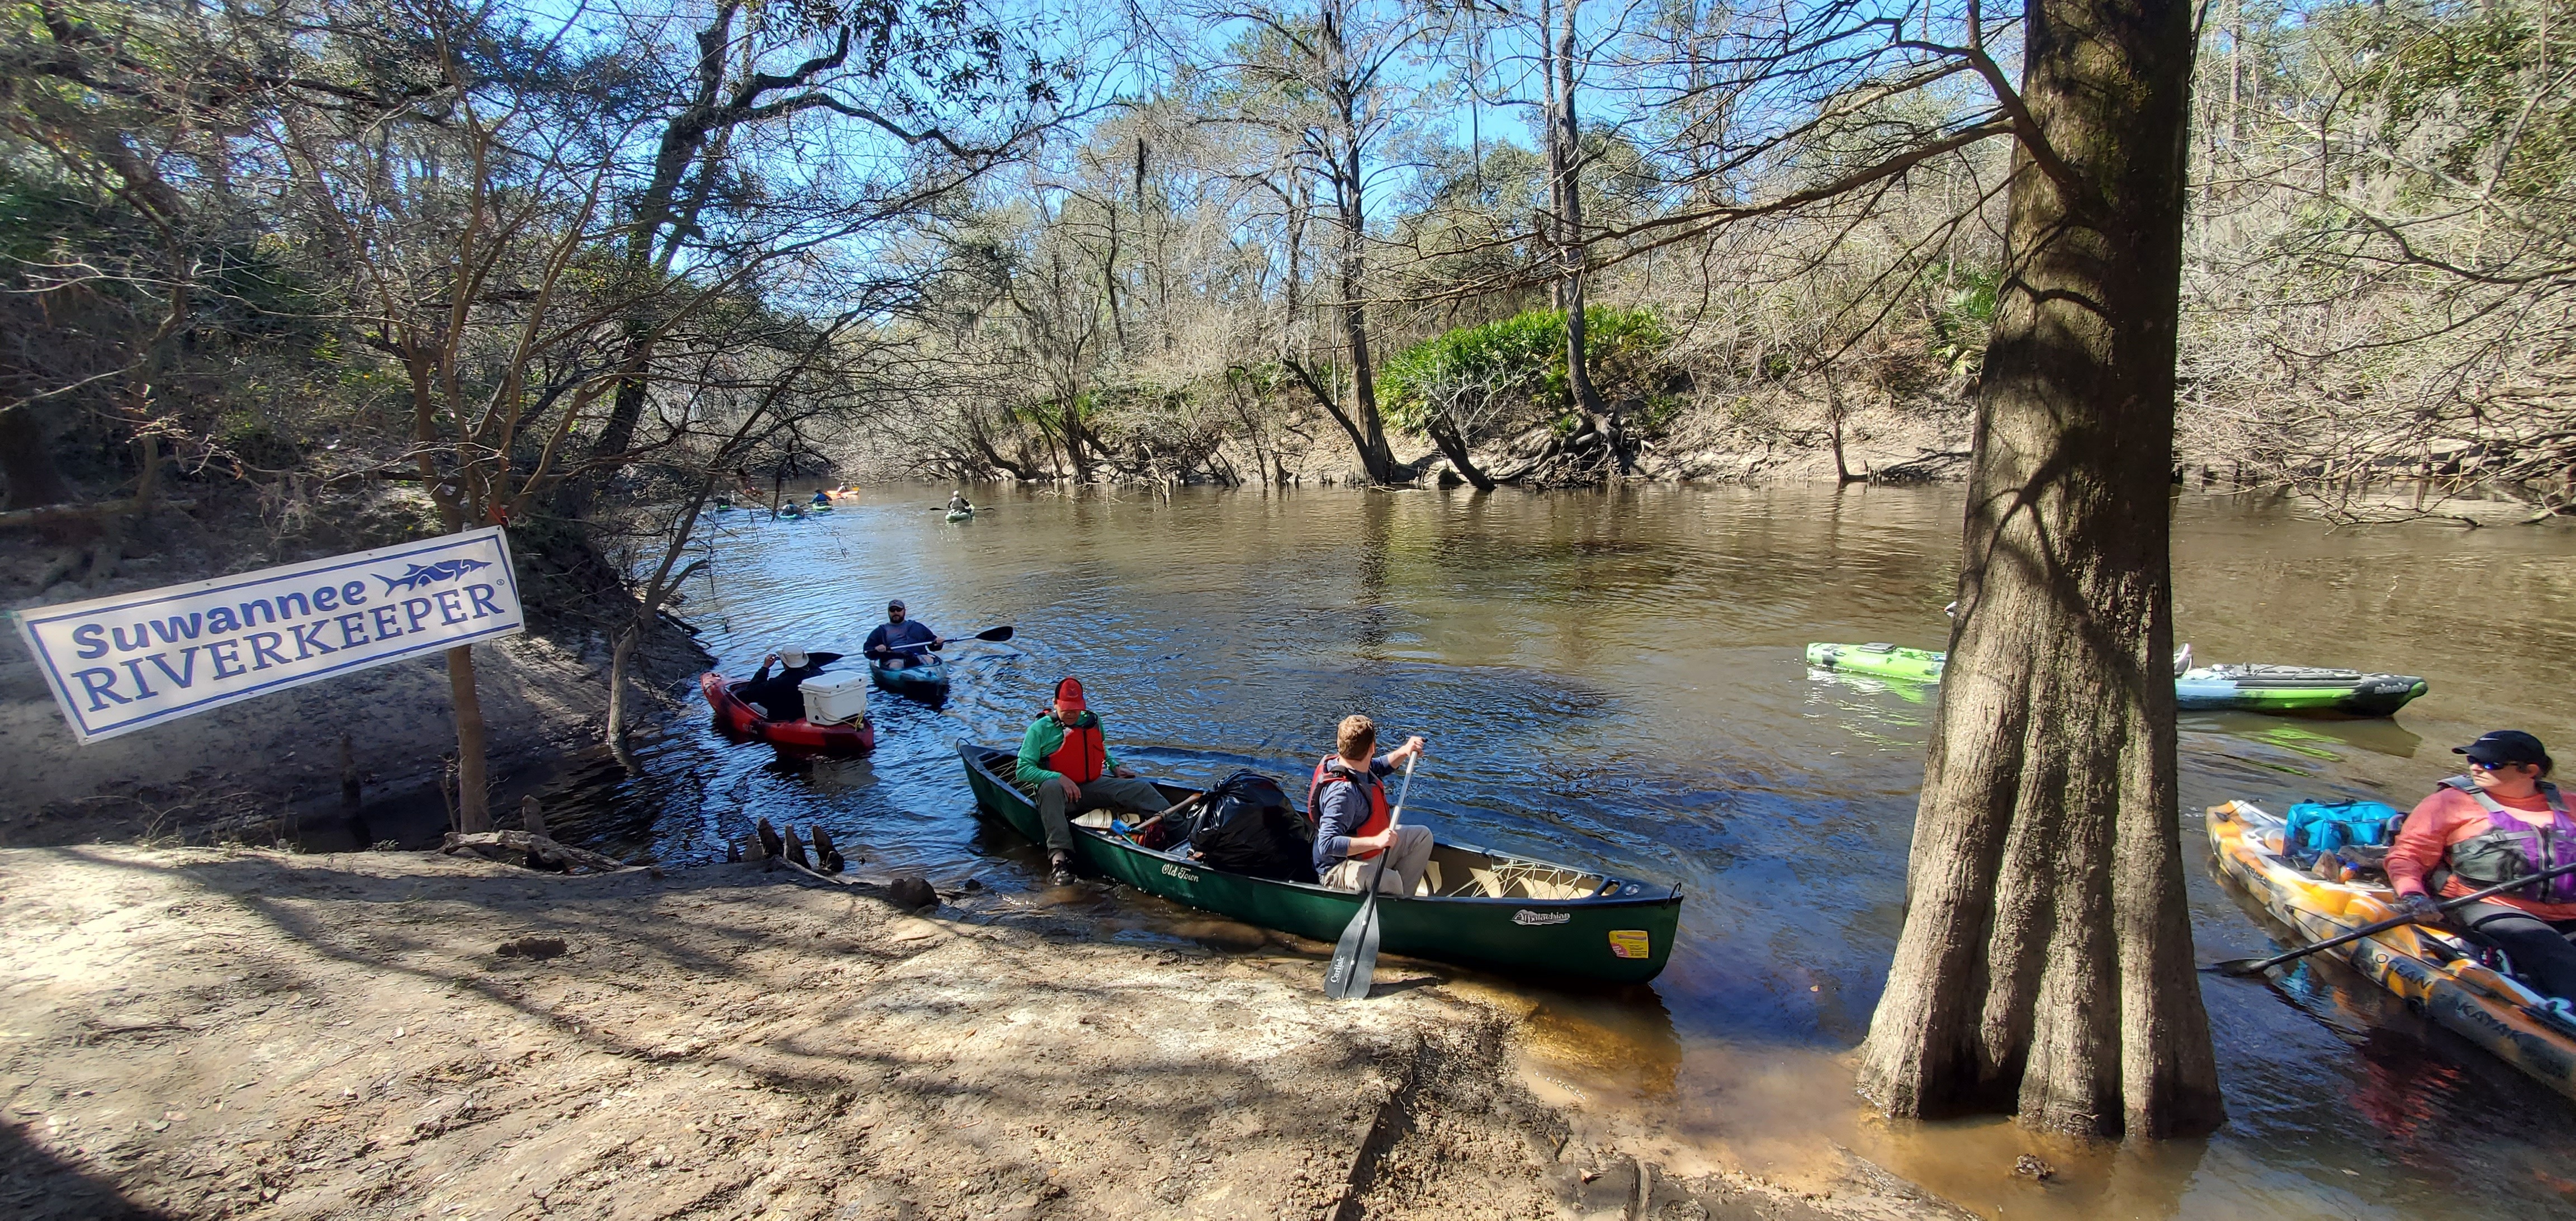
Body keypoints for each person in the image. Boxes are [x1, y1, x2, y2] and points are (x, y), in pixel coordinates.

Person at [2386, 730, 2576, 1002]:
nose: (2476, 767)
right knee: (2547, 949)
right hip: (2490, 905)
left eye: (2490, 764)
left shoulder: (2569, 805)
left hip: (2568, 911)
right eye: (2472, 760)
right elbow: (2408, 855)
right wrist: (2413, 895)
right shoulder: (2449, 803)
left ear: (2530, 770)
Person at [1016, 677, 1169, 884]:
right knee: (1050, 788)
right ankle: (1060, 861)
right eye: (1066, 708)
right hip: (1059, 797)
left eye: (1076, 708)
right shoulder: (1039, 730)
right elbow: (1023, 770)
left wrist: (1114, 766)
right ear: (1055, 703)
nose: (1071, 713)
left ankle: (1184, 830)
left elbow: (1100, 747)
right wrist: (1058, 778)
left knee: (1141, 788)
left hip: (1091, 787)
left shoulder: (1093, 722)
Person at [1309, 714, 1433, 896]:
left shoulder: (1352, 763)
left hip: (1363, 853)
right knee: (1390, 881)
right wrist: (1376, 841)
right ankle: (1394, 907)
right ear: (1372, 747)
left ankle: (1402, 903)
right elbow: (1327, 844)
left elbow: (1379, 767)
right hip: (1335, 868)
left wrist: (1405, 751)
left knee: (1422, 837)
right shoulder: (1343, 795)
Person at [736, 646, 840, 720]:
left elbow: (751, 691)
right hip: (809, 713)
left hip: (785, 717)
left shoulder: (779, 682)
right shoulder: (817, 673)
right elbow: (811, 668)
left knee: (752, 704)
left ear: (784, 662)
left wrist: (765, 668)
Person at [862, 600, 943, 669]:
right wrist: (876, 648)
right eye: (892, 610)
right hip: (894, 659)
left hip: (917, 656)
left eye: (899, 609)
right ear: (888, 612)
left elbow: (933, 644)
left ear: (904, 611)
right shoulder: (880, 631)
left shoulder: (917, 627)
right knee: (895, 666)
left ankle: (928, 679)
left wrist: (938, 642)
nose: (896, 612)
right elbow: (867, 650)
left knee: (929, 661)